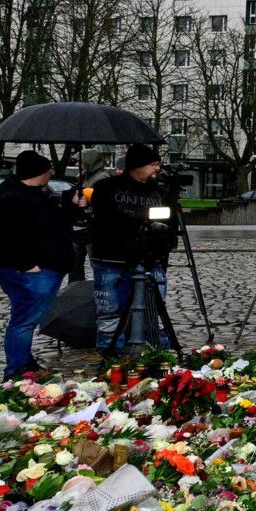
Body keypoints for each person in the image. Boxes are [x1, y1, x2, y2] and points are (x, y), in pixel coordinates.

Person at [85, 143, 178, 354]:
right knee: (110, 310)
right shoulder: (107, 187)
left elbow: (168, 225)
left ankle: (149, 349)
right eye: (154, 164)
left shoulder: (158, 191)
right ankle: (111, 354)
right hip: (112, 260)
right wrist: (140, 225)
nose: (157, 168)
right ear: (138, 165)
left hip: (149, 259)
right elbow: (107, 220)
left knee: (151, 308)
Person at [0, 151, 73, 380]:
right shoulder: (14, 199)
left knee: (26, 317)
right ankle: (16, 369)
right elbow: (10, 235)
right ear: (42, 172)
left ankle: (23, 362)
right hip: (30, 269)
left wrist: (71, 206)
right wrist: (28, 265)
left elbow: (56, 224)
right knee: (24, 319)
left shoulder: (36, 195)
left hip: (43, 266)